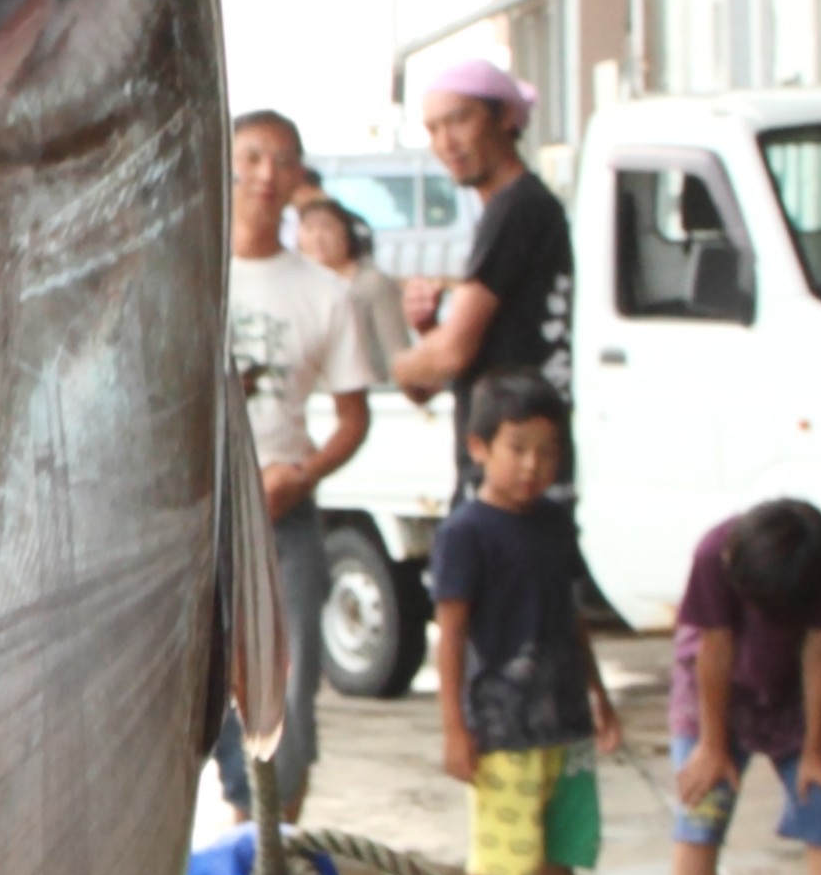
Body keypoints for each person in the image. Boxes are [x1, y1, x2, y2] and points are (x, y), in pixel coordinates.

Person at [216, 110, 380, 823]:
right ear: (224, 163)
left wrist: (301, 476)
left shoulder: (325, 293)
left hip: (283, 523)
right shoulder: (191, 275)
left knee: (286, 710)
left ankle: (274, 852)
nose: (263, 174)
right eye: (250, 156)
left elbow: (352, 420)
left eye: (281, 161)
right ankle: (231, 848)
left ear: (299, 178)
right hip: (193, 524)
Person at [432, 370, 619, 875]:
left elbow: (573, 618)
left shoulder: (556, 524)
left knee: (561, 855)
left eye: (548, 451)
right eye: (518, 449)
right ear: (479, 447)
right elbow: (451, 635)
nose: (533, 466)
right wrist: (455, 730)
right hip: (502, 729)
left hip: (565, 721)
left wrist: (600, 699)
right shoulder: (466, 532)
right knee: (496, 861)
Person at [670, 499, 821, 875]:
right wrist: (712, 746)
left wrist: (817, 751)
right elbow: (714, 651)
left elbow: (820, 649)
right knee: (701, 807)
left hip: (794, 687)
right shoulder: (716, 552)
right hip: (712, 690)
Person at [392, 58, 574, 502]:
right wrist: (429, 332)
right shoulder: (515, 207)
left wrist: (399, 365)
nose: (445, 142)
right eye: (432, 129)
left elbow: (452, 354)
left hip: (510, 478)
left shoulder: (517, 207)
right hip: (516, 469)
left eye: (459, 120)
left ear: (506, 117)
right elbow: (457, 359)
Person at [292, 187, 413, 375]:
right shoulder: (297, 285)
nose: (318, 237)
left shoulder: (374, 283)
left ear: (347, 233)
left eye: (327, 226)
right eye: (309, 228)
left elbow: (397, 351)